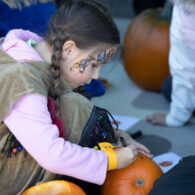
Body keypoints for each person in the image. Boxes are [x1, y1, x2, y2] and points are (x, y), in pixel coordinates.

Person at [0, 0, 152, 194]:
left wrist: (117, 136)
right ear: (68, 49)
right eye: (94, 64)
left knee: (72, 104)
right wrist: (110, 160)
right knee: (74, 106)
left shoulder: (35, 55)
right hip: (7, 180)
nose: (96, 76)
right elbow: (51, 154)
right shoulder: (23, 79)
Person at [147, 0, 195, 127]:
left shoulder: (185, 15)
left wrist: (176, 118)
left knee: (169, 86)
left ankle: (183, 112)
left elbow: (184, 70)